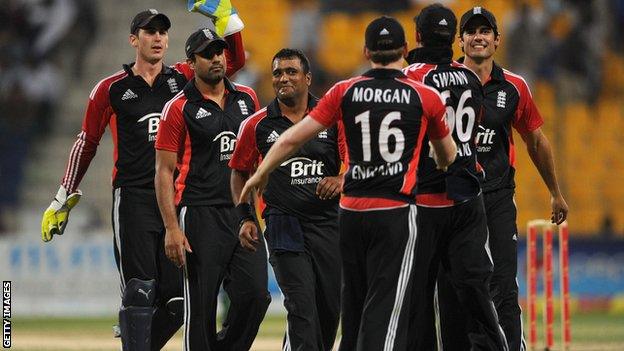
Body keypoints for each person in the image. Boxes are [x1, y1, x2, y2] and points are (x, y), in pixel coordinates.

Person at [240, 16, 457, 351]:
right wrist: (441, 161)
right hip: (394, 210)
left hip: (350, 214)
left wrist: (261, 171)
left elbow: (291, 139)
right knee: (384, 304)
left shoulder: (345, 91)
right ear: (403, 50)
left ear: (366, 50)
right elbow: (448, 155)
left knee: (346, 305)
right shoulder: (424, 95)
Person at [39, 9, 246, 350]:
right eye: (150, 32)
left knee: (178, 304)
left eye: (163, 32)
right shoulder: (111, 89)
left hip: (175, 200)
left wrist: (227, 18)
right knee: (139, 290)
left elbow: (232, 61)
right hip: (132, 198)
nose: (158, 37)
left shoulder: (182, 78)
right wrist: (63, 196)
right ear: (134, 40)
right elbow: (86, 142)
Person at [439, 7, 569, 351]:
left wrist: (556, 192)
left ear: (497, 40)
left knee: (503, 284)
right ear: (461, 40)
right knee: (453, 285)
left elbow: (536, 141)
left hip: (496, 196)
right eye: (471, 31)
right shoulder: (442, 82)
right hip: (453, 199)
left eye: (485, 31)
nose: (478, 36)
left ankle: (512, 346)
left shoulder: (514, 86)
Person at [154, 27, 270, 351]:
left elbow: (255, 160)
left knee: (256, 295)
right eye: (207, 53)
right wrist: (171, 228)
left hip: (241, 213)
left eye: (219, 51)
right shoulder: (178, 108)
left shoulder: (247, 98)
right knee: (201, 308)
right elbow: (163, 171)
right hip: (199, 213)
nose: (217, 58)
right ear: (191, 62)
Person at [403, 4, 509, 350]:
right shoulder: (468, 77)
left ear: (418, 36)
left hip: (427, 197)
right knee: (475, 289)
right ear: (455, 40)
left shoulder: (414, 76)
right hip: (468, 198)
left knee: (418, 292)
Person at [229, 48, 344, 350]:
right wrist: (244, 217)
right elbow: (239, 173)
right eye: (278, 72)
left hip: (328, 224)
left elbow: (355, 162)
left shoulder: (333, 117)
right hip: (283, 224)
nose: (283, 78)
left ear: (307, 78)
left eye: (291, 71)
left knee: (329, 310)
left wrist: (341, 179)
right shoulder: (256, 125)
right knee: (301, 306)